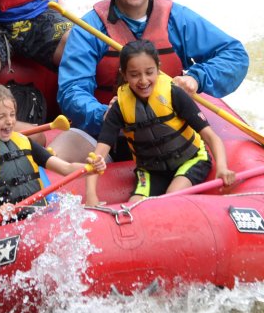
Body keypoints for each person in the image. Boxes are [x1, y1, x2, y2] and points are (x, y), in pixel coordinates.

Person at [57, 0, 249, 145]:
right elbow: (72, 91)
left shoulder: (177, 19)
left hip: (170, 129)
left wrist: (196, 78)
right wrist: (107, 114)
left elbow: (235, 54)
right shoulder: (89, 29)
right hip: (110, 134)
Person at [90, 40, 236, 203]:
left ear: (158, 69)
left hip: (191, 159)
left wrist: (222, 167)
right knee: (133, 207)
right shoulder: (119, 107)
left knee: (170, 198)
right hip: (151, 170)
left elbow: (211, 137)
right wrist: (91, 195)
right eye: (134, 74)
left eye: (149, 72)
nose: (143, 81)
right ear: (124, 74)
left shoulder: (174, 94)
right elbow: (98, 156)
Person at [0, 85, 103, 221]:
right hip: (2, 223)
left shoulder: (25, 142)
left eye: (12, 115)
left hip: (37, 216)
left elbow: (67, 168)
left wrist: (91, 168)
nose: (9, 121)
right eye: (1, 117)